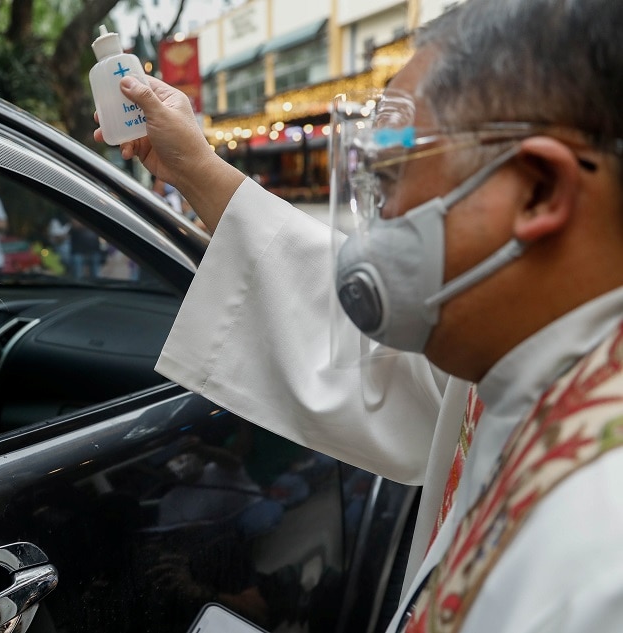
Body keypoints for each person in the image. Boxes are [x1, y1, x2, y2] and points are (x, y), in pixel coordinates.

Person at [95, 0, 623, 631]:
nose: (379, 219)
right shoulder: (527, 358)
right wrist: (196, 169)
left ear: (538, 188)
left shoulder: (596, 559)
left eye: (395, 173)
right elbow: (386, 363)